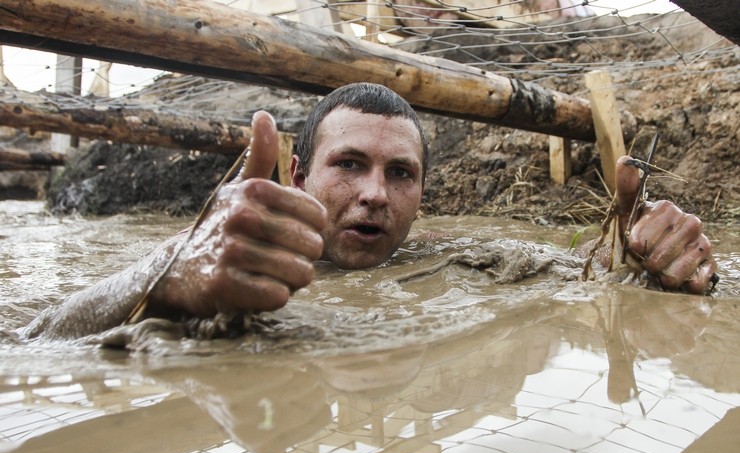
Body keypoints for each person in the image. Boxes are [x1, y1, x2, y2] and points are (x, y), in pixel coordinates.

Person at [20, 83, 717, 340]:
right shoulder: (208, 249)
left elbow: (583, 281)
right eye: (349, 164)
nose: (376, 194)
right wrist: (168, 275)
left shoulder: (447, 259)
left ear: (421, 194)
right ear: (296, 173)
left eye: (400, 174)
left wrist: (647, 262)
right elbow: (33, 332)